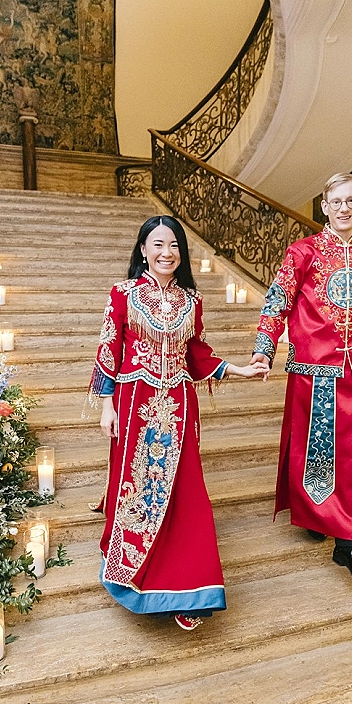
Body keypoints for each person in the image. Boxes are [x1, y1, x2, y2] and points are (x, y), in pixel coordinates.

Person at [89, 215, 267, 630]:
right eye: (157, 244)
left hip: (180, 404)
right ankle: (132, 569)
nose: (166, 253)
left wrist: (238, 369)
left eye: (174, 246)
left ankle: (194, 586)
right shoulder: (123, 293)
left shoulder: (191, 300)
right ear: (143, 250)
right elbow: (108, 346)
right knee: (138, 488)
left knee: (185, 489)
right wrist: (106, 404)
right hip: (135, 402)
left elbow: (197, 352)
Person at [250, 173, 352, 584]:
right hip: (312, 369)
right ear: (325, 207)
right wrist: (265, 347)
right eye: (336, 201)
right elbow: (277, 301)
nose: (344, 208)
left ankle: (348, 544)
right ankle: (317, 514)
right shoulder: (303, 252)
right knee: (310, 451)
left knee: (349, 457)